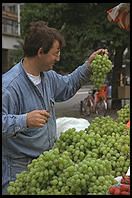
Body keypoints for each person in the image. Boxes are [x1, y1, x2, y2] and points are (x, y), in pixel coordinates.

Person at [2, 20, 108, 195]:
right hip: (17, 169)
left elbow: (68, 86)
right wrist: (24, 120)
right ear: (40, 52)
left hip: (45, 162)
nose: (58, 58)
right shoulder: (9, 86)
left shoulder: (48, 77)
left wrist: (88, 66)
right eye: (55, 53)